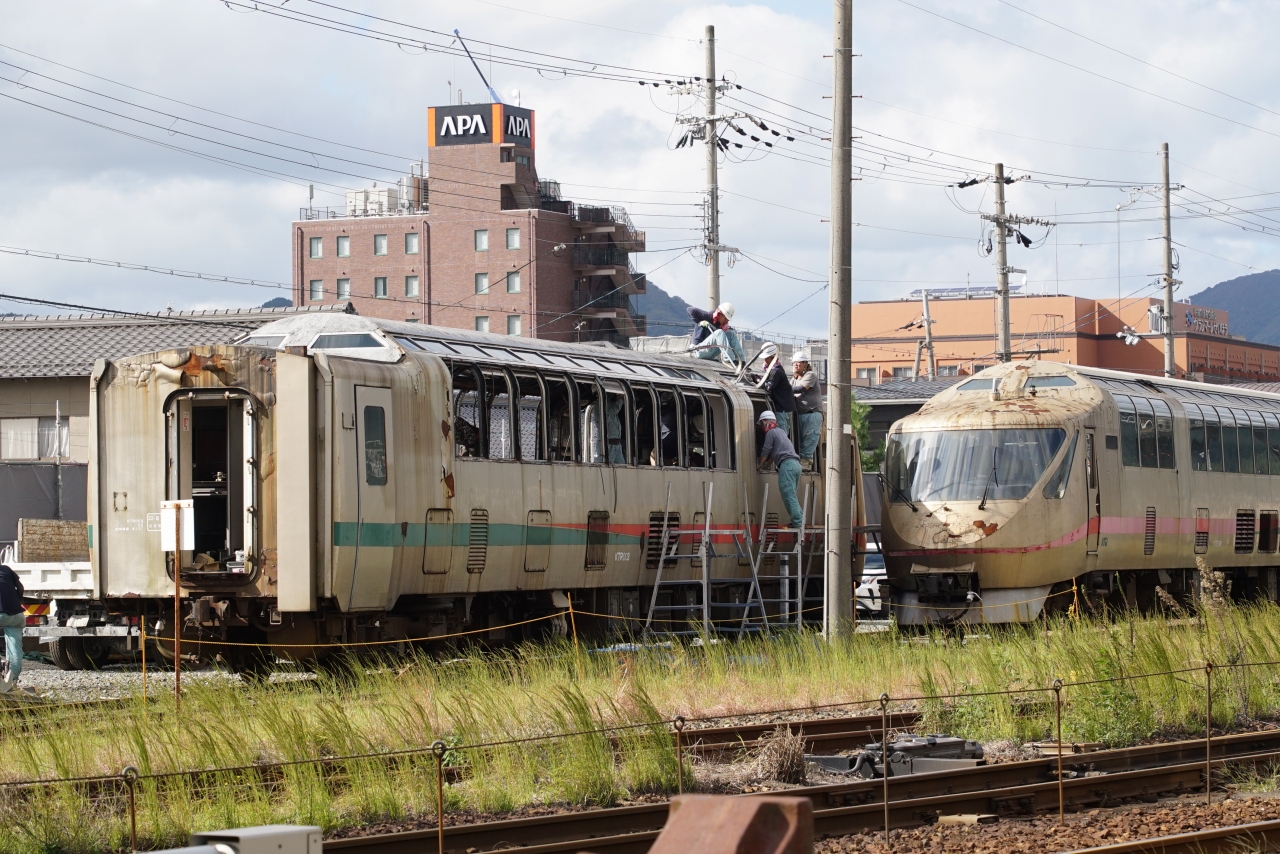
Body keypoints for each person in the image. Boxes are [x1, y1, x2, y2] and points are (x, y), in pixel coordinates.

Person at [757, 410, 804, 528]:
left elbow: (766, 450)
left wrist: (759, 465)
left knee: (788, 495)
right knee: (792, 495)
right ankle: (799, 520)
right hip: (795, 465)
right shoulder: (781, 432)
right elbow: (773, 454)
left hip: (787, 466)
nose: (762, 427)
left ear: (765, 422)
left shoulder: (771, 433)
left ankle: (798, 523)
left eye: (762, 424)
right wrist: (768, 464)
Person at [790, 349, 823, 470]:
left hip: (812, 413)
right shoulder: (794, 379)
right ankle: (800, 462)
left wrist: (784, 390)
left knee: (810, 438)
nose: (796, 364)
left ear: (805, 364)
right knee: (799, 441)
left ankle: (806, 463)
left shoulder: (810, 375)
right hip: (800, 414)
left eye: (799, 362)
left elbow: (801, 389)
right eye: (794, 363)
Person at [756, 343, 796, 437]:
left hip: (783, 409)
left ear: (773, 357)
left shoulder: (776, 371)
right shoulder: (774, 370)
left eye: (767, 358)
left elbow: (768, 387)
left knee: (782, 435)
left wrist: (757, 380)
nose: (765, 360)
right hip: (783, 408)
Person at [0, 563, 25, 694]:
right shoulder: (6, 569)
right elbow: (20, 587)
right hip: (17, 614)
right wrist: (17, 602)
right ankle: (11, 682)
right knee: (15, 649)